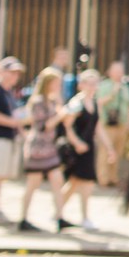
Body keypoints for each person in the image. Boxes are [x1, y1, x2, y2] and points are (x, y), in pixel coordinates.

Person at [15, 66, 66, 234]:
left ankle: (59, 217)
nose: (59, 86)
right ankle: (23, 218)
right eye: (56, 83)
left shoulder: (51, 101)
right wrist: (61, 113)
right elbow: (44, 126)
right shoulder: (37, 102)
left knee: (57, 180)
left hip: (49, 147)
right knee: (32, 184)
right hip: (38, 148)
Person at [56, 70, 101, 231]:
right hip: (78, 148)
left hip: (89, 146)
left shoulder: (95, 103)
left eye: (95, 83)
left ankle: (58, 211)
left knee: (75, 183)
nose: (92, 86)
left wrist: (109, 148)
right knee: (83, 183)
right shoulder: (77, 103)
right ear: (81, 85)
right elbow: (67, 124)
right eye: (89, 83)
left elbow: (98, 128)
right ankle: (84, 217)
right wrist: (77, 143)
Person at [94, 60, 129, 188]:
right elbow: (98, 102)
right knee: (105, 151)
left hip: (121, 124)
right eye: (116, 71)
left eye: (121, 71)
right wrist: (113, 93)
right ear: (110, 72)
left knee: (117, 152)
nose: (119, 74)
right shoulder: (103, 86)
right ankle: (103, 179)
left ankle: (113, 178)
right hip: (107, 124)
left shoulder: (125, 87)